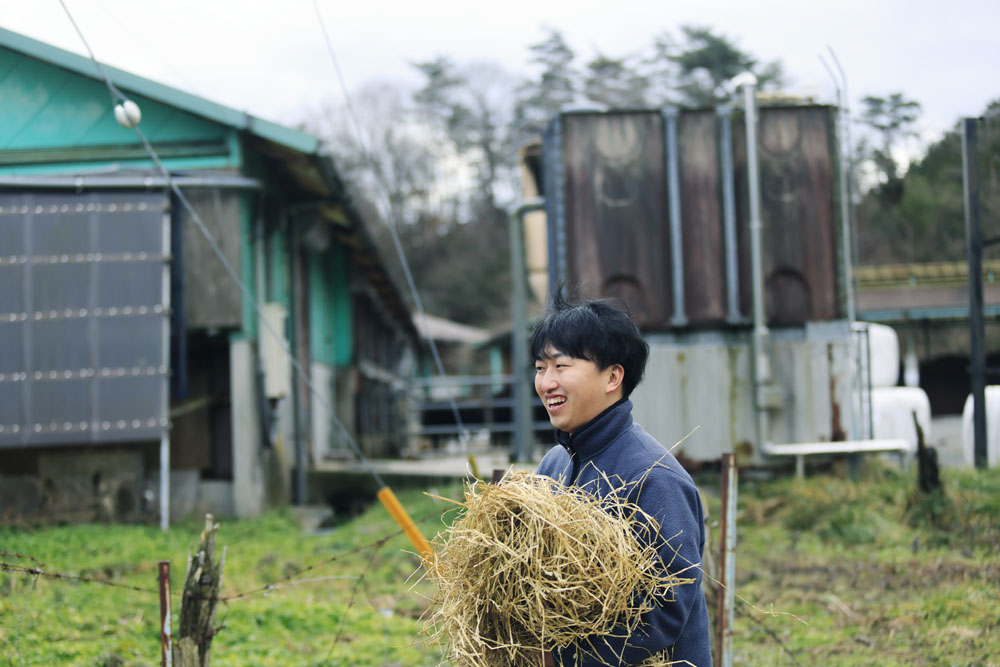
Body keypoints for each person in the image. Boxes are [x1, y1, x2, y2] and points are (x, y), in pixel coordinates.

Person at [532, 290, 713, 667]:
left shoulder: (654, 477)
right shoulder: (552, 467)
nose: (546, 382)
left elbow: (663, 612)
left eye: (560, 366)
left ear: (613, 376)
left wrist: (566, 660)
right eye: (539, 368)